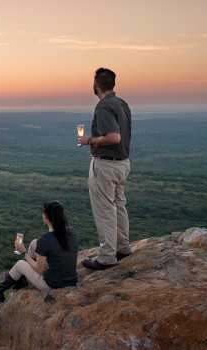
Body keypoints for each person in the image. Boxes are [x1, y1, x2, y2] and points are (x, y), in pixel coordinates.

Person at [77, 67, 133, 270]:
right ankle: (123, 247)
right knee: (118, 204)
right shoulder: (122, 103)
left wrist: (89, 140)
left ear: (96, 84)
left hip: (106, 164)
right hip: (122, 163)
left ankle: (107, 256)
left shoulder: (103, 106)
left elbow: (114, 136)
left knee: (104, 209)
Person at [0, 200, 79, 301]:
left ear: (45, 215)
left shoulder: (45, 240)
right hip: (72, 280)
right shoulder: (72, 232)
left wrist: (23, 252)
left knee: (19, 264)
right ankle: (22, 279)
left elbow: (39, 270)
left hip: (53, 284)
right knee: (33, 243)